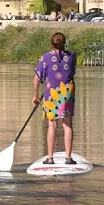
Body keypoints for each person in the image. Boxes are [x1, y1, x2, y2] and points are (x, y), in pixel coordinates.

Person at [33, 32, 77, 165]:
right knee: (67, 124)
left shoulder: (46, 57)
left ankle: (50, 158)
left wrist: (36, 96)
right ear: (64, 43)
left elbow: (36, 79)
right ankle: (68, 158)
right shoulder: (72, 56)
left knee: (52, 124)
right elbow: (71, 72)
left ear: (52, 43)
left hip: (52, 92)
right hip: (67, 91)